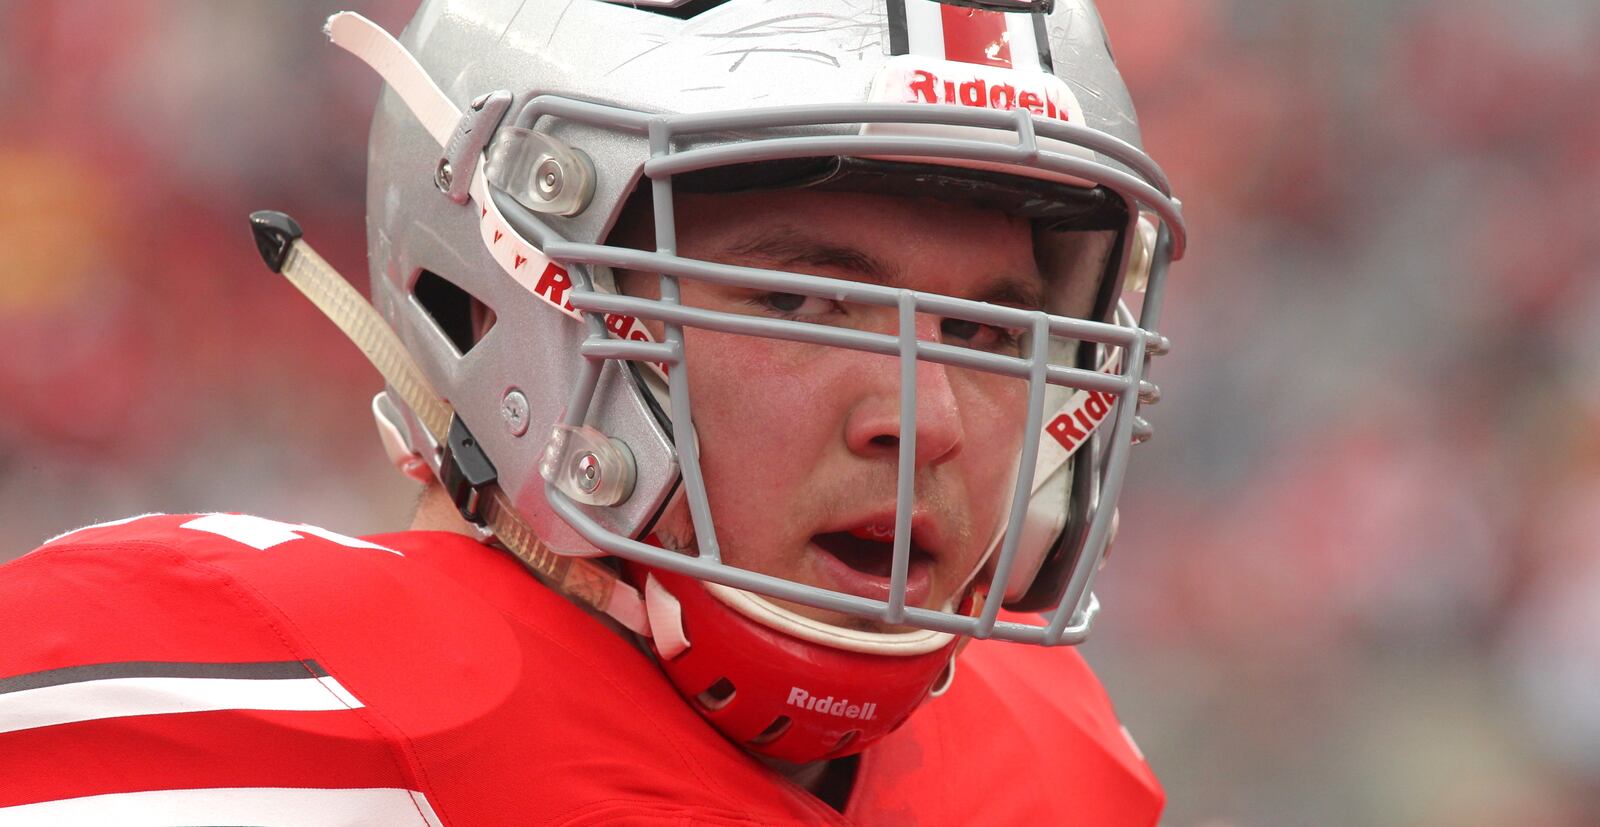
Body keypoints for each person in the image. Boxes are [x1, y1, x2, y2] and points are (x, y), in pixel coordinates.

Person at [0, 0, 1186, 822]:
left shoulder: (1050, 762)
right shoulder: (260, 712)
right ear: (511, 286)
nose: (926, 422)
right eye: (804, 297)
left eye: (985, 330)